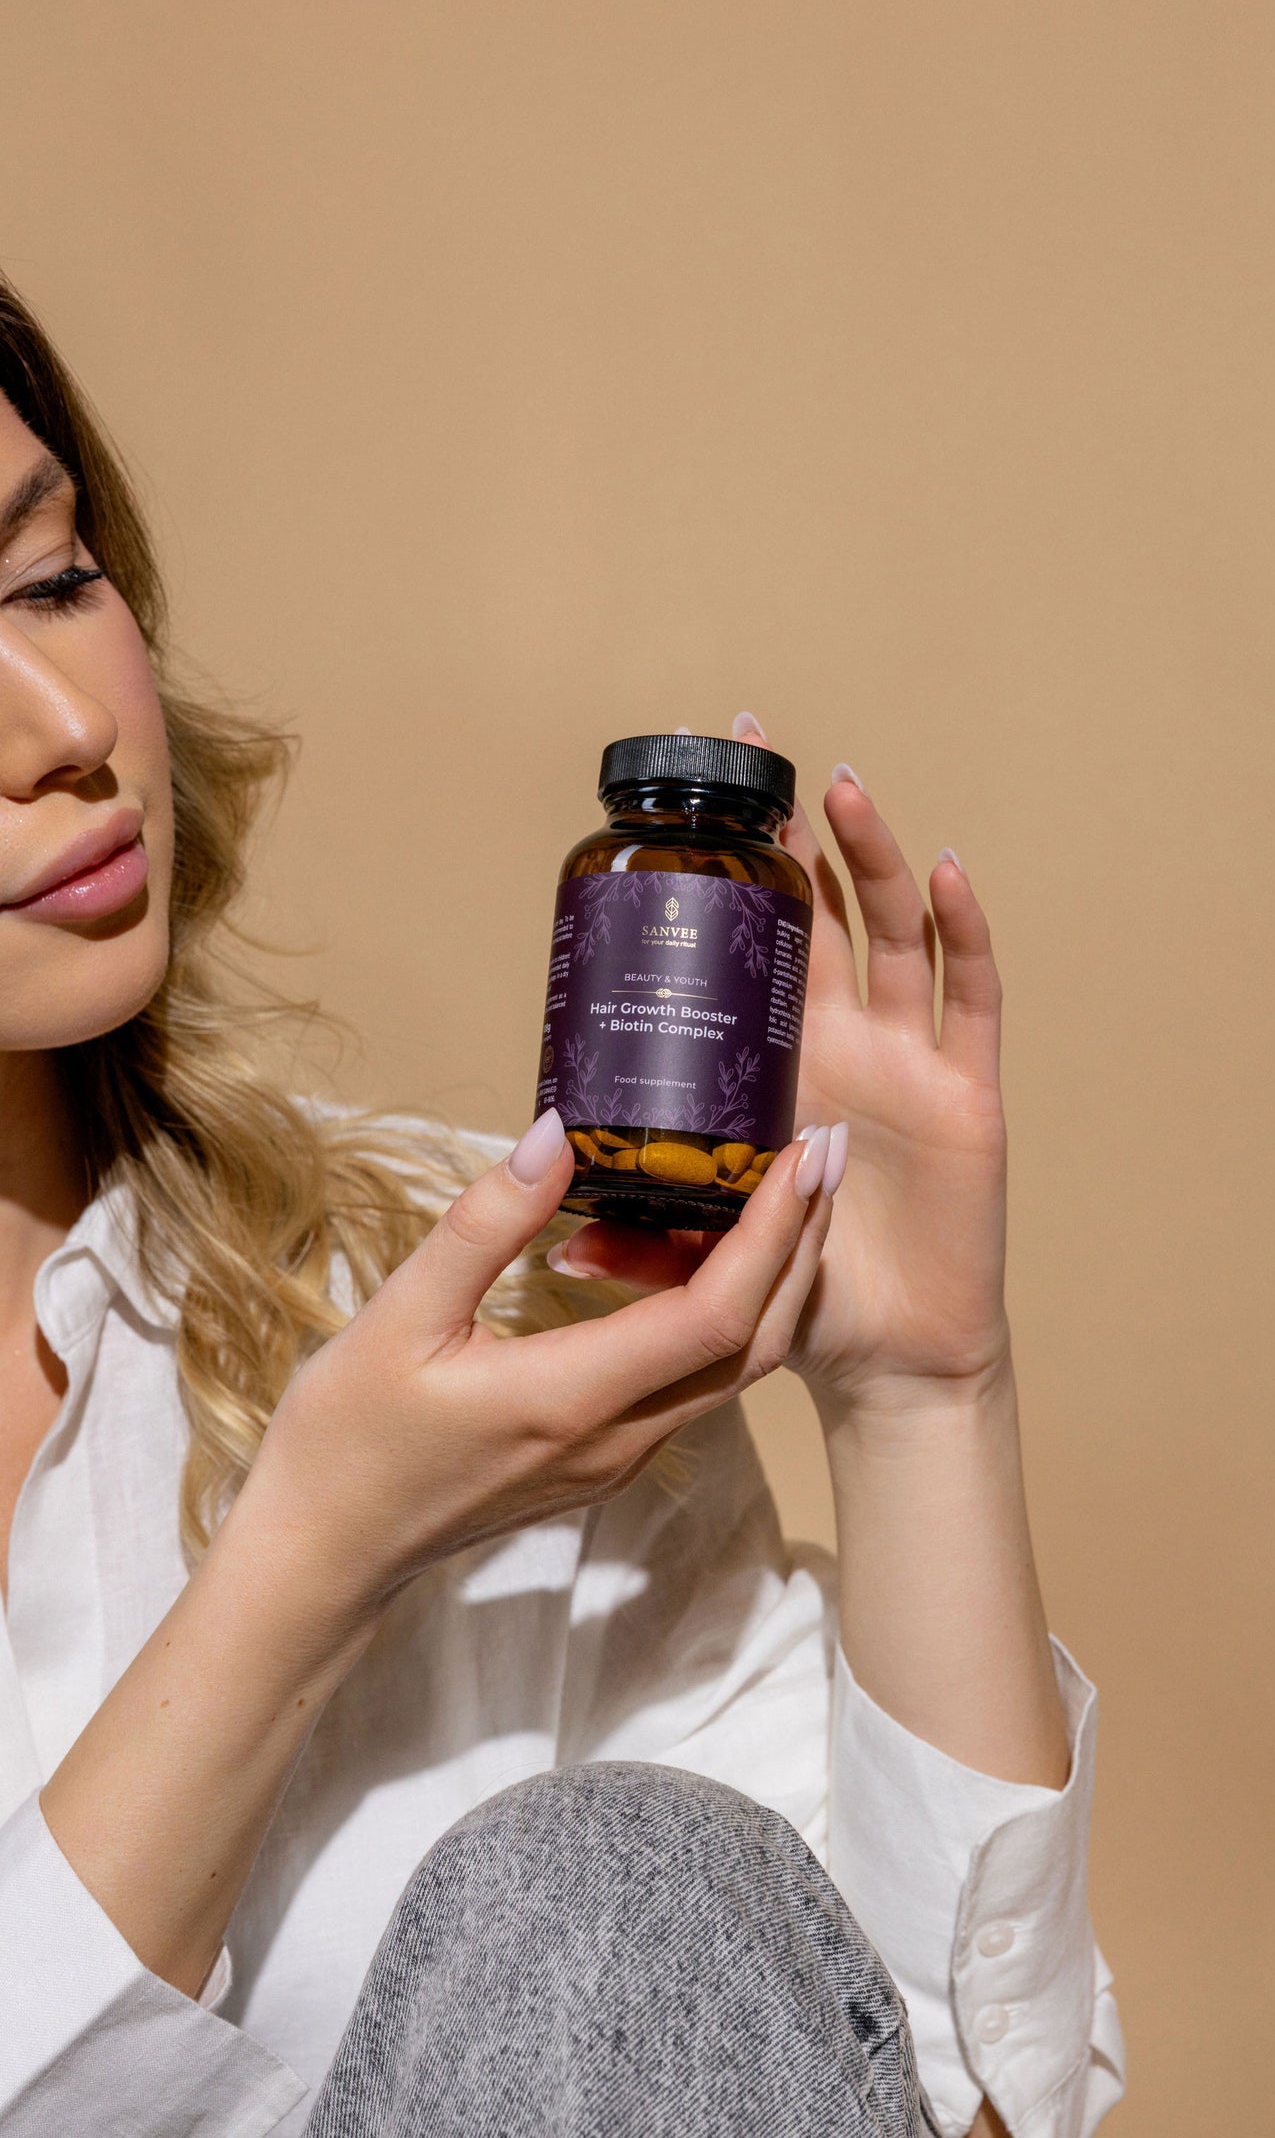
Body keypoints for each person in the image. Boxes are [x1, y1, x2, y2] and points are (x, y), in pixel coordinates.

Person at [0, 269, 1124, 2138]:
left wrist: (924, 1401)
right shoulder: (407, 1440)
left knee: (610, 1899)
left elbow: (919, 2105)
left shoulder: (465, 1320)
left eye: (49, 582)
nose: (56, 723)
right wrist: (304, 1569)